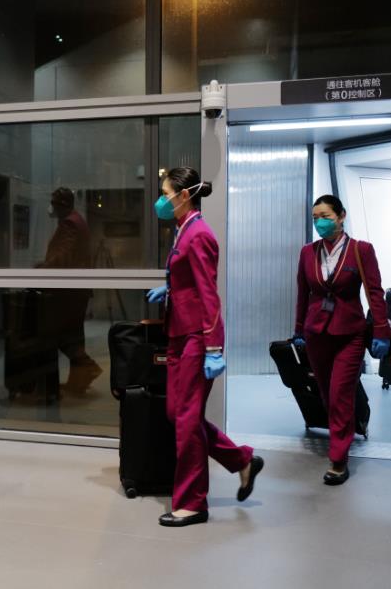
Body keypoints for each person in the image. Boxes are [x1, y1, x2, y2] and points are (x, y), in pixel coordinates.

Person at [146, 167, 262, 527]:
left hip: (198, 336)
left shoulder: (199, 235)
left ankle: (193, 503)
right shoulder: (184, 229)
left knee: (186, 420)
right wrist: (171, 289)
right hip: (180, 332)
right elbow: (189, 281)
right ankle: (241, 460)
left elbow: (209, 294)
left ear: (184, 195)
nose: (161, 200)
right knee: (179, 414)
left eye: (165, 193)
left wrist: (213, 348)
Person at [293, 194, 391, 485]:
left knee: (340, 394)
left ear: (341, 215)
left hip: (350, 333)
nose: (319, 223)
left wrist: (382, 330)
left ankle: (338, 458)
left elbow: (375, 292)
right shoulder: (308, 252)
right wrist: (299, 330)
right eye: (315, 218)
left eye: (325, 216)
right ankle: (346, 428)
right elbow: (303, 293)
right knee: (326, 393)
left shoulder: (361, 250)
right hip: (316, 334)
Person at [39, 187, 102, 395]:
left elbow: (63, 254)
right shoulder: (77, 220)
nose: (51, 207)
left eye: (53, 202)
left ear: (62, 204)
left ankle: (88, 367)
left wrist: (43, 268)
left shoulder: (70, 223)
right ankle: (78, 381)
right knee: (74, 335)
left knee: (61, 335)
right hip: (76, 291)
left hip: (69, 293)